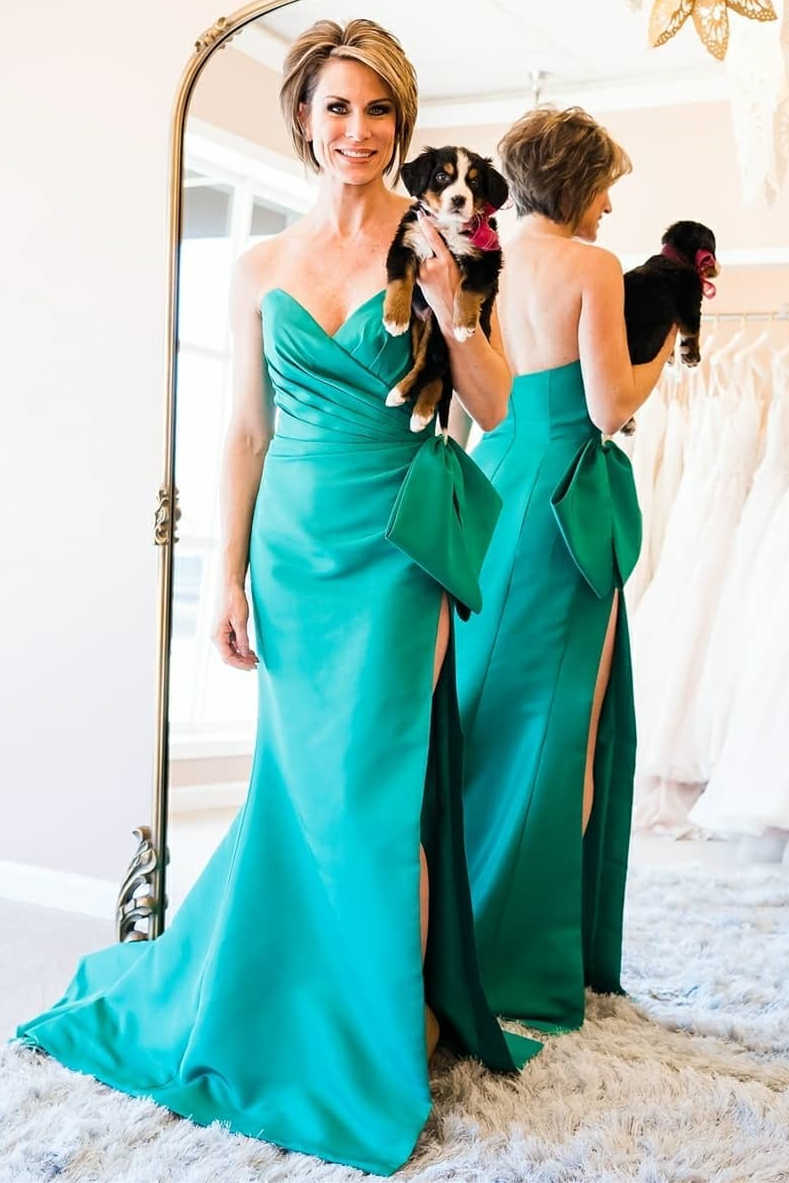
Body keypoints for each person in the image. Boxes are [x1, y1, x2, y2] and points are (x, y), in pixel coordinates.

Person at [14, 20, 540, 1177]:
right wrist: (227, 572)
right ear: (303, 115)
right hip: (296, 552)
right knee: (301, 790)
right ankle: (297, 1001)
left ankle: (382, 1036)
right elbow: (246, 429)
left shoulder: (436, 239)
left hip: (399, 548)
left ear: (402, 121)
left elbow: (498, 408)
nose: (358, 131)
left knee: (375, 797)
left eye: (379, 110)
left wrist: (454, 307)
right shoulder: (258, 266)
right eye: (338, 108)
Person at [453, 107, 676, 1031]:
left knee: (483, 719)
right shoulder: (589, 266)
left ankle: (455, 933)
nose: (610, 205)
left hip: (494, 488)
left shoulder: (485, 261)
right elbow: (608, 405)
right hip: (558, 507)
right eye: (606, 186)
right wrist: (663, 349)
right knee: (561, 731)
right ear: (577, 181)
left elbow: (472, 403)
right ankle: (529, 957)